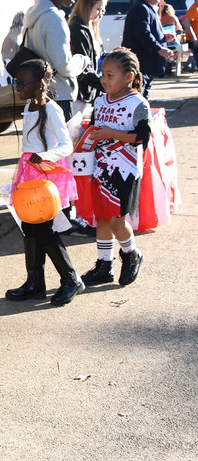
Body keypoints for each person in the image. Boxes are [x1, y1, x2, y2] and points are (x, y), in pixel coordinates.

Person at [4, 59, 84, 306]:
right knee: (29, 227)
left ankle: (71, 278)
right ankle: (35, 282)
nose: (17, 87)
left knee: (44, 230)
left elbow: (66, 145)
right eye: (15, 81)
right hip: (29, 173)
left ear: (39, 83)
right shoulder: (29, 108)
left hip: (46, 176)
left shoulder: (51, 109)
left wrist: (45, 156)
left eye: (22, 82)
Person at [79, 48, 151, 287]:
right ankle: (104, 265)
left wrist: (112, 134)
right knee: (101, 218)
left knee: (116, 220)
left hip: (125, 168)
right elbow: (97, 129)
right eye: (103, 75)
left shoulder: (137, 102)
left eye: (110, 75)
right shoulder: (100, 100)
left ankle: (131, 254)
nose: (104, 80)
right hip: (100, 167)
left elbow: (143, 136)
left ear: (129, 77)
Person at [21, 0, 88, 120]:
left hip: (40, 93)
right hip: (58, 95)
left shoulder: (33, 14)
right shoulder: (54, 18)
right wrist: (83, 60)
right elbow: (64, 66)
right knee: (62, 144)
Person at [121, 0, 174, 96]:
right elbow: (143, 33)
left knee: (144, 93)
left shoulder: (149, 8)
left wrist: (163, 38)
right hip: (142, 64)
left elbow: (149, 32)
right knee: (140, 94)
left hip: (148, 64)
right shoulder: (141, 8)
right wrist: (159, 49)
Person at [68, 0, 106, 111]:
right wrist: (104, 84)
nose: (101, 14)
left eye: (103, 10)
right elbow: (83, 66)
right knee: (76, 129)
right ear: (87, 6)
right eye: (98, 9)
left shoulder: (87, 28)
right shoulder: (78, 30)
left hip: (87, 92)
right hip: (80, 93)